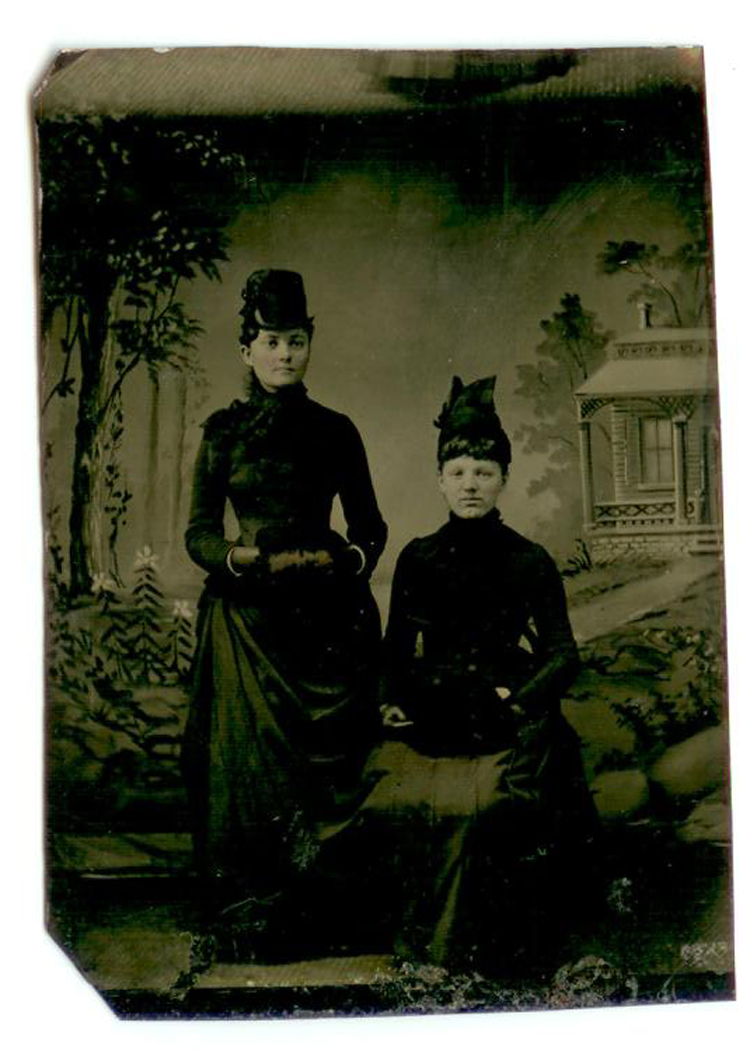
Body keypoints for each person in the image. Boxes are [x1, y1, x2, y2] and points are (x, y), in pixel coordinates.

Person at [352, 376, 595, 974]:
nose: (470, 484)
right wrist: (388, 700)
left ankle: (495, 951)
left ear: (503, 478)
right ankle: (420, 942)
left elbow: (563, 655)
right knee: (392, 801)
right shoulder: (418, 557)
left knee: (490, 809)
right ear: (439, 479)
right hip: (433, 707)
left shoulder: (529, 560)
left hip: (503, 708)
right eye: (458, 471)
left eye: (484, 472)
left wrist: (518, 701)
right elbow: (394, 648)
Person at [180, 269, 387, 950]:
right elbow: (198, 532)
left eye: (296, 340)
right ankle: (254, 916)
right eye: (271, 341)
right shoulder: (223, 432)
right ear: (247, 349)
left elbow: (370, 528)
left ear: (309, 344)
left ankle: (326, 916)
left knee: (330, 768)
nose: (285, 354)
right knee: (249, 773)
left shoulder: (337, 430)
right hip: (246, 624)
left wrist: (345, 562)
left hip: (327, 626)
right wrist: (238, 558)